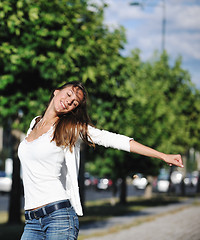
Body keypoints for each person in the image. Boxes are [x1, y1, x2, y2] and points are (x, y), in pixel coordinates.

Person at [18, 81, 183, 240]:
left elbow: (112, 139)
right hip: (32, 222)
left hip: (58, 218)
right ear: (56, 92)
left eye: (74, 103)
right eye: (68, 94)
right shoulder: (35, 123)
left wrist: (162, 155)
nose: (69, 101)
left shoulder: (70, 128)